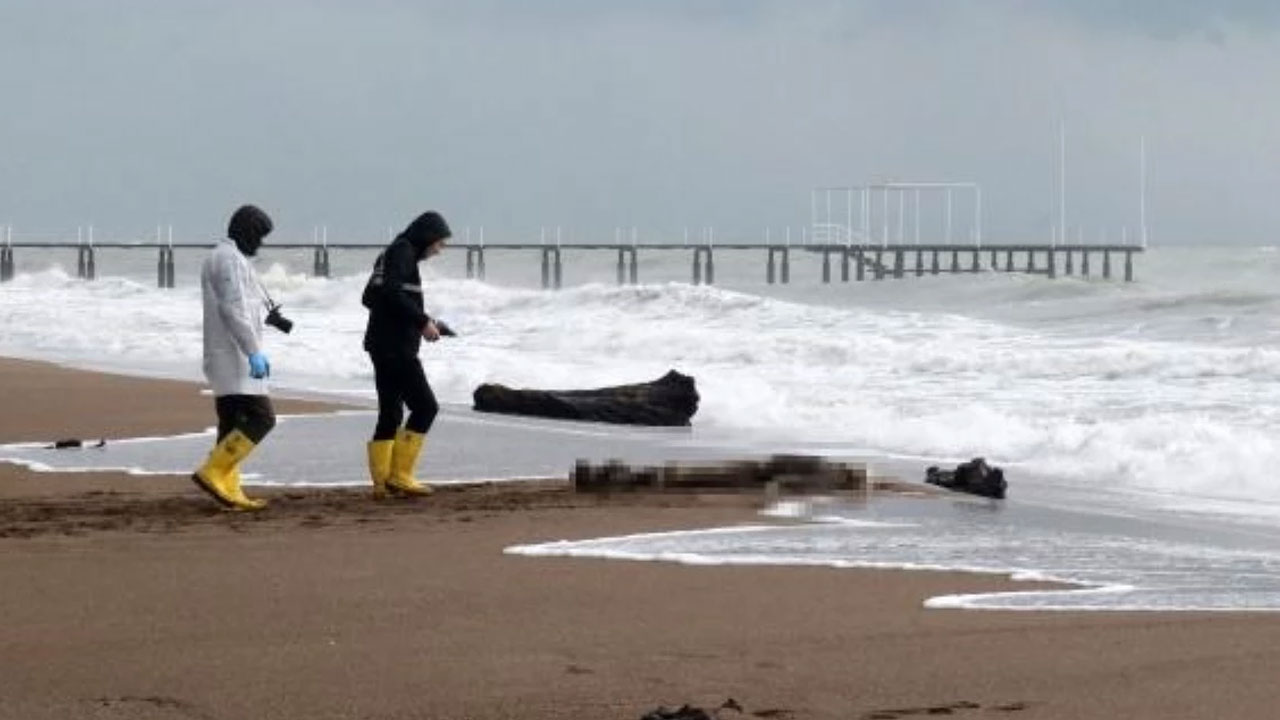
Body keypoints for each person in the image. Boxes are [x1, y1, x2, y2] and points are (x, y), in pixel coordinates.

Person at [190, 204, 278, 511]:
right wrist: (253, 352)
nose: (261, 243)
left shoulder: (227, 258)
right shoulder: (228, 261)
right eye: (259, 236)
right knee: (261, 418)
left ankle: (229, 489)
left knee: (231, 423)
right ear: (247, 231)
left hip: (226, 355)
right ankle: (213, 471)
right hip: (233, 356)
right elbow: (233, 309)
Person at [361, 211, 451, 498]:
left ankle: (381, 484)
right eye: (439, 243)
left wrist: (425, 320)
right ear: (427, 236)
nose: (440, 250)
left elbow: (370, 297)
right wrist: (422, 322)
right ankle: (399, 476)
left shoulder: (390, 253)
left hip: (381, 344)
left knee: (390, 413)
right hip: (395, 348)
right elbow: (391, 294)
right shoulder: (403, 253)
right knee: (426, 407)